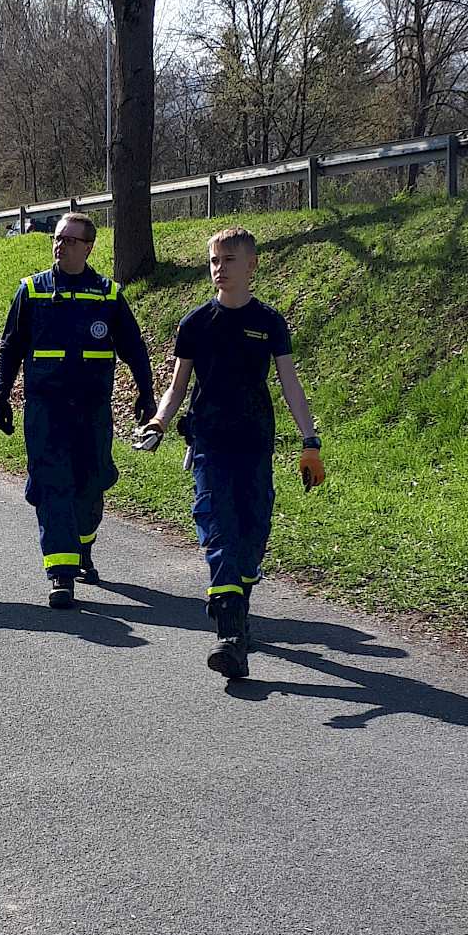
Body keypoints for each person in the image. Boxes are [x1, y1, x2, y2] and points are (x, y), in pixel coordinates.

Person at [134, 226, 325, 681]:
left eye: (229, 261)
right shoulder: (195, 323)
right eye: (214, 261)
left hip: (255, 442)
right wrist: (159, 422)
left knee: (253, 528)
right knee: (218, 526)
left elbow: (291, 387)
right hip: (210, 443)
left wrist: (310, 441)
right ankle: (232, 635)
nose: (219, 269)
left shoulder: (270, 322)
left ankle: (233, 605)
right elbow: (178, 386)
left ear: (252, 265)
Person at [0, 207, 157, 609]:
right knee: (52, 484)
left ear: (88, 247)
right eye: (56, 238)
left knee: (92, 482)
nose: (59, 245)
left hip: (93, 409)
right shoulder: (31, 291)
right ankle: (61, 575)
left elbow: (133, 348)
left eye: (69, 239)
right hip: (46, 408)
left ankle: (82, 548)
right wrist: (1, 393)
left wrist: (146, 393)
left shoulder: (109, 294)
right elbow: (10, 346)